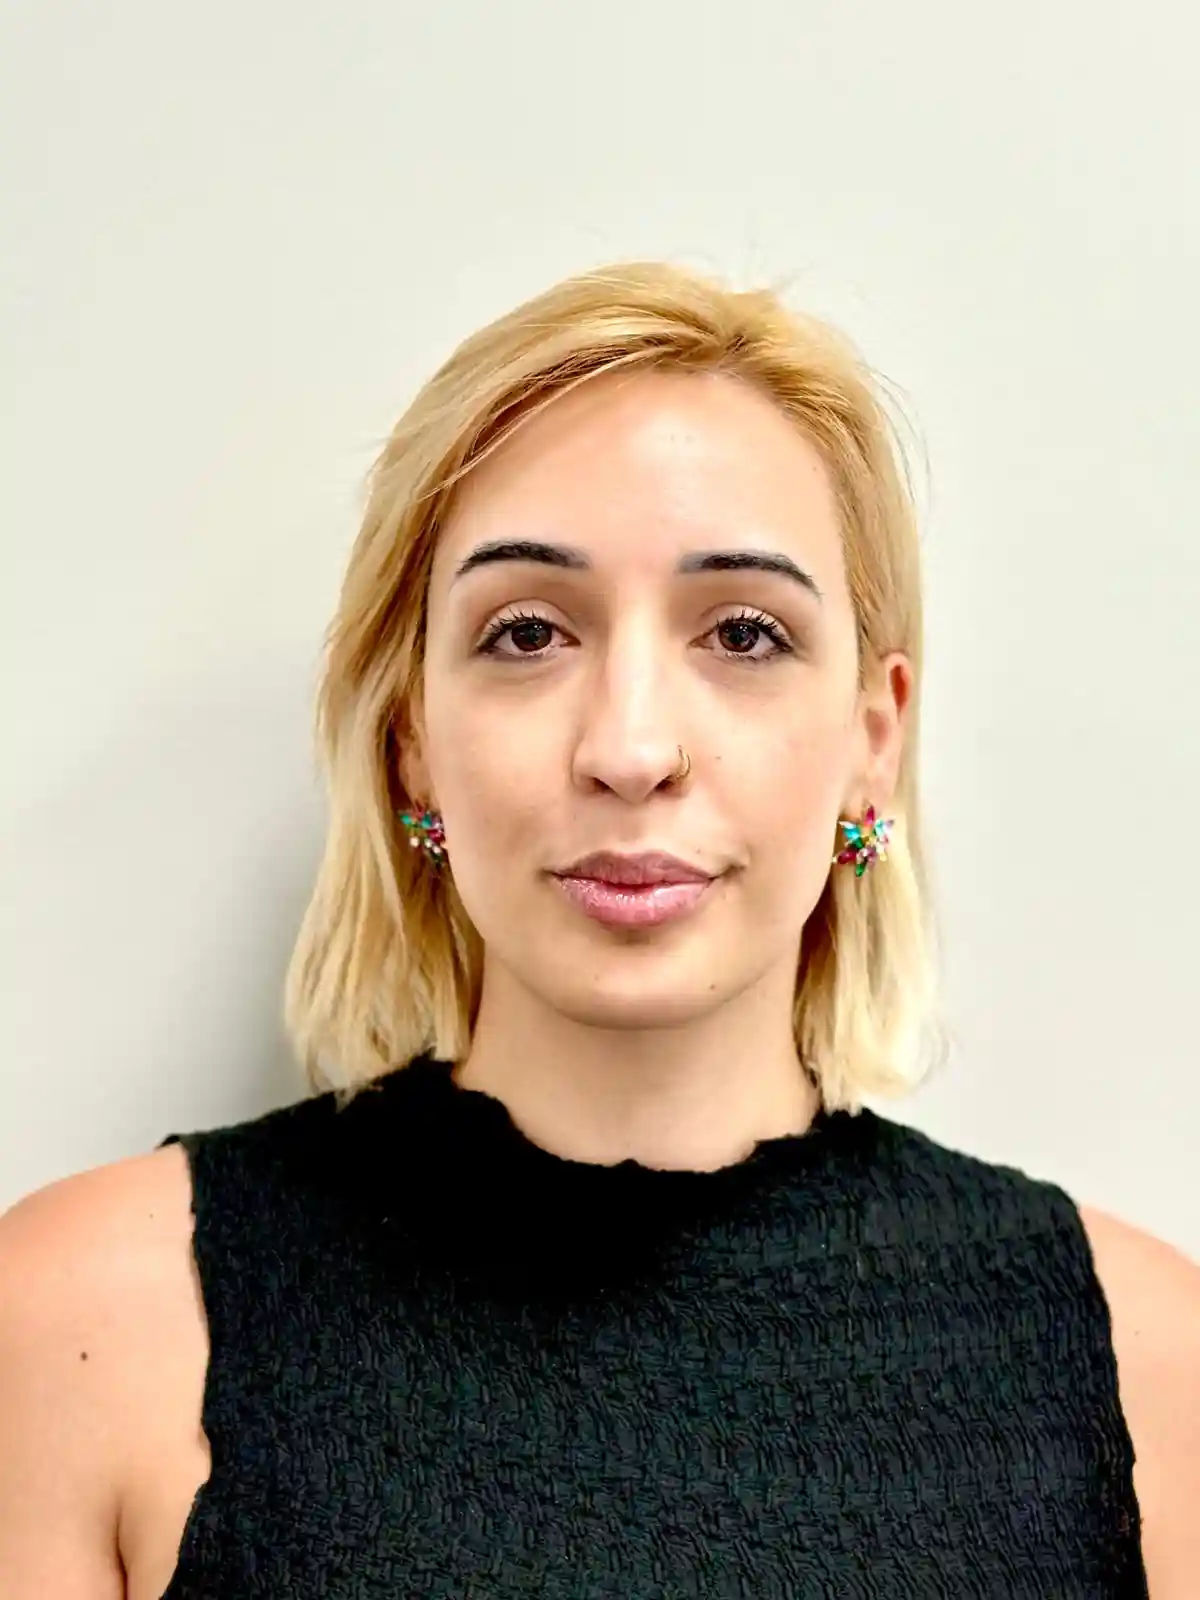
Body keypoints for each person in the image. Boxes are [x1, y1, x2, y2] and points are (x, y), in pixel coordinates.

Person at [0, 262, 1196, 1599]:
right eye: (528, 633)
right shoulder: (86, 1328)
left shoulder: (1156, 1377)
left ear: (875, 739)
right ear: (411, 743)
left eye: (744, 633)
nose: (630, 748)